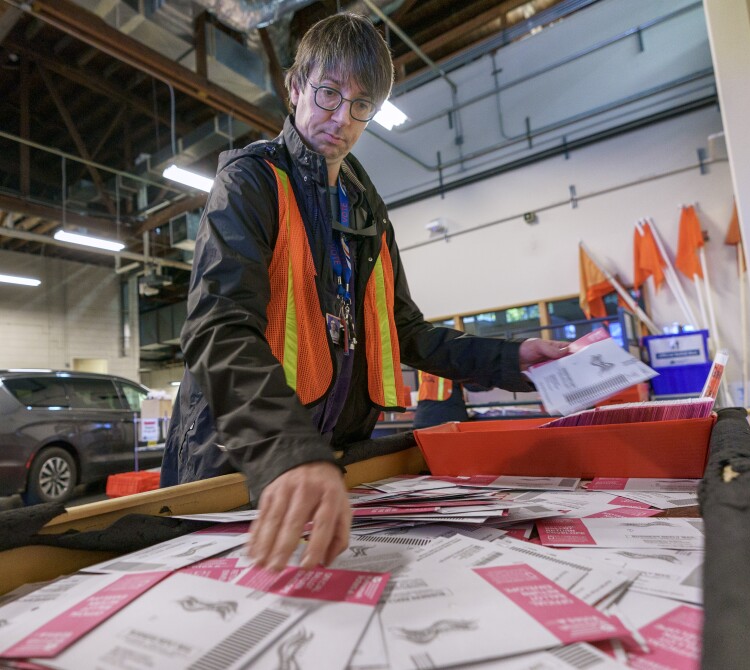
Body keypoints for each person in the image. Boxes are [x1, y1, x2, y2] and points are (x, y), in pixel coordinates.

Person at [160, 12, 569, 572]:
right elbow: (217, 330)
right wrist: (286, 451)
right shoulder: (251, 182)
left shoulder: (366, 210)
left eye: (361, 107)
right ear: (296, 86)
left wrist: (512, 358)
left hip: (328, 463)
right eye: (329, 94)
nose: (341, 119)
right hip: (238, 461)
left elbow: (404, 331)